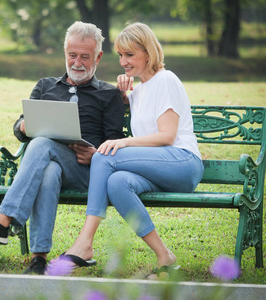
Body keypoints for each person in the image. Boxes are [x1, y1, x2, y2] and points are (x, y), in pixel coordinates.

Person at [0, 21, 125, 275]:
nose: (77, 63)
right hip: (48, 166)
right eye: (72, 55)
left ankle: (2, 222)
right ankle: (39, 259)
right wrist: (23, 126)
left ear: (98, 57)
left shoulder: (109, 94)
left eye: (85, 57)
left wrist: (96, 154)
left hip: (87, 171)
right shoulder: (45, 86)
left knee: (41, 144)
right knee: (47, 169)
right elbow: (19, 129)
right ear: (65, 54)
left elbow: (115, 143)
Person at [51, 22, 204, 279]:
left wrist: (123, 142)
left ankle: (84, 243)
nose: (123, 61)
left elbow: (167, 136)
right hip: (157, 168)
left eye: (130, 54)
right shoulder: (139, 90)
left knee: (103, 156)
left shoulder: (166, 80)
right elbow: (125, 106)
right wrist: (123, 94)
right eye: (121, 55)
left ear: (149, 52)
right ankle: (164, 256)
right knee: (117, 183)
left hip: (182, 162)